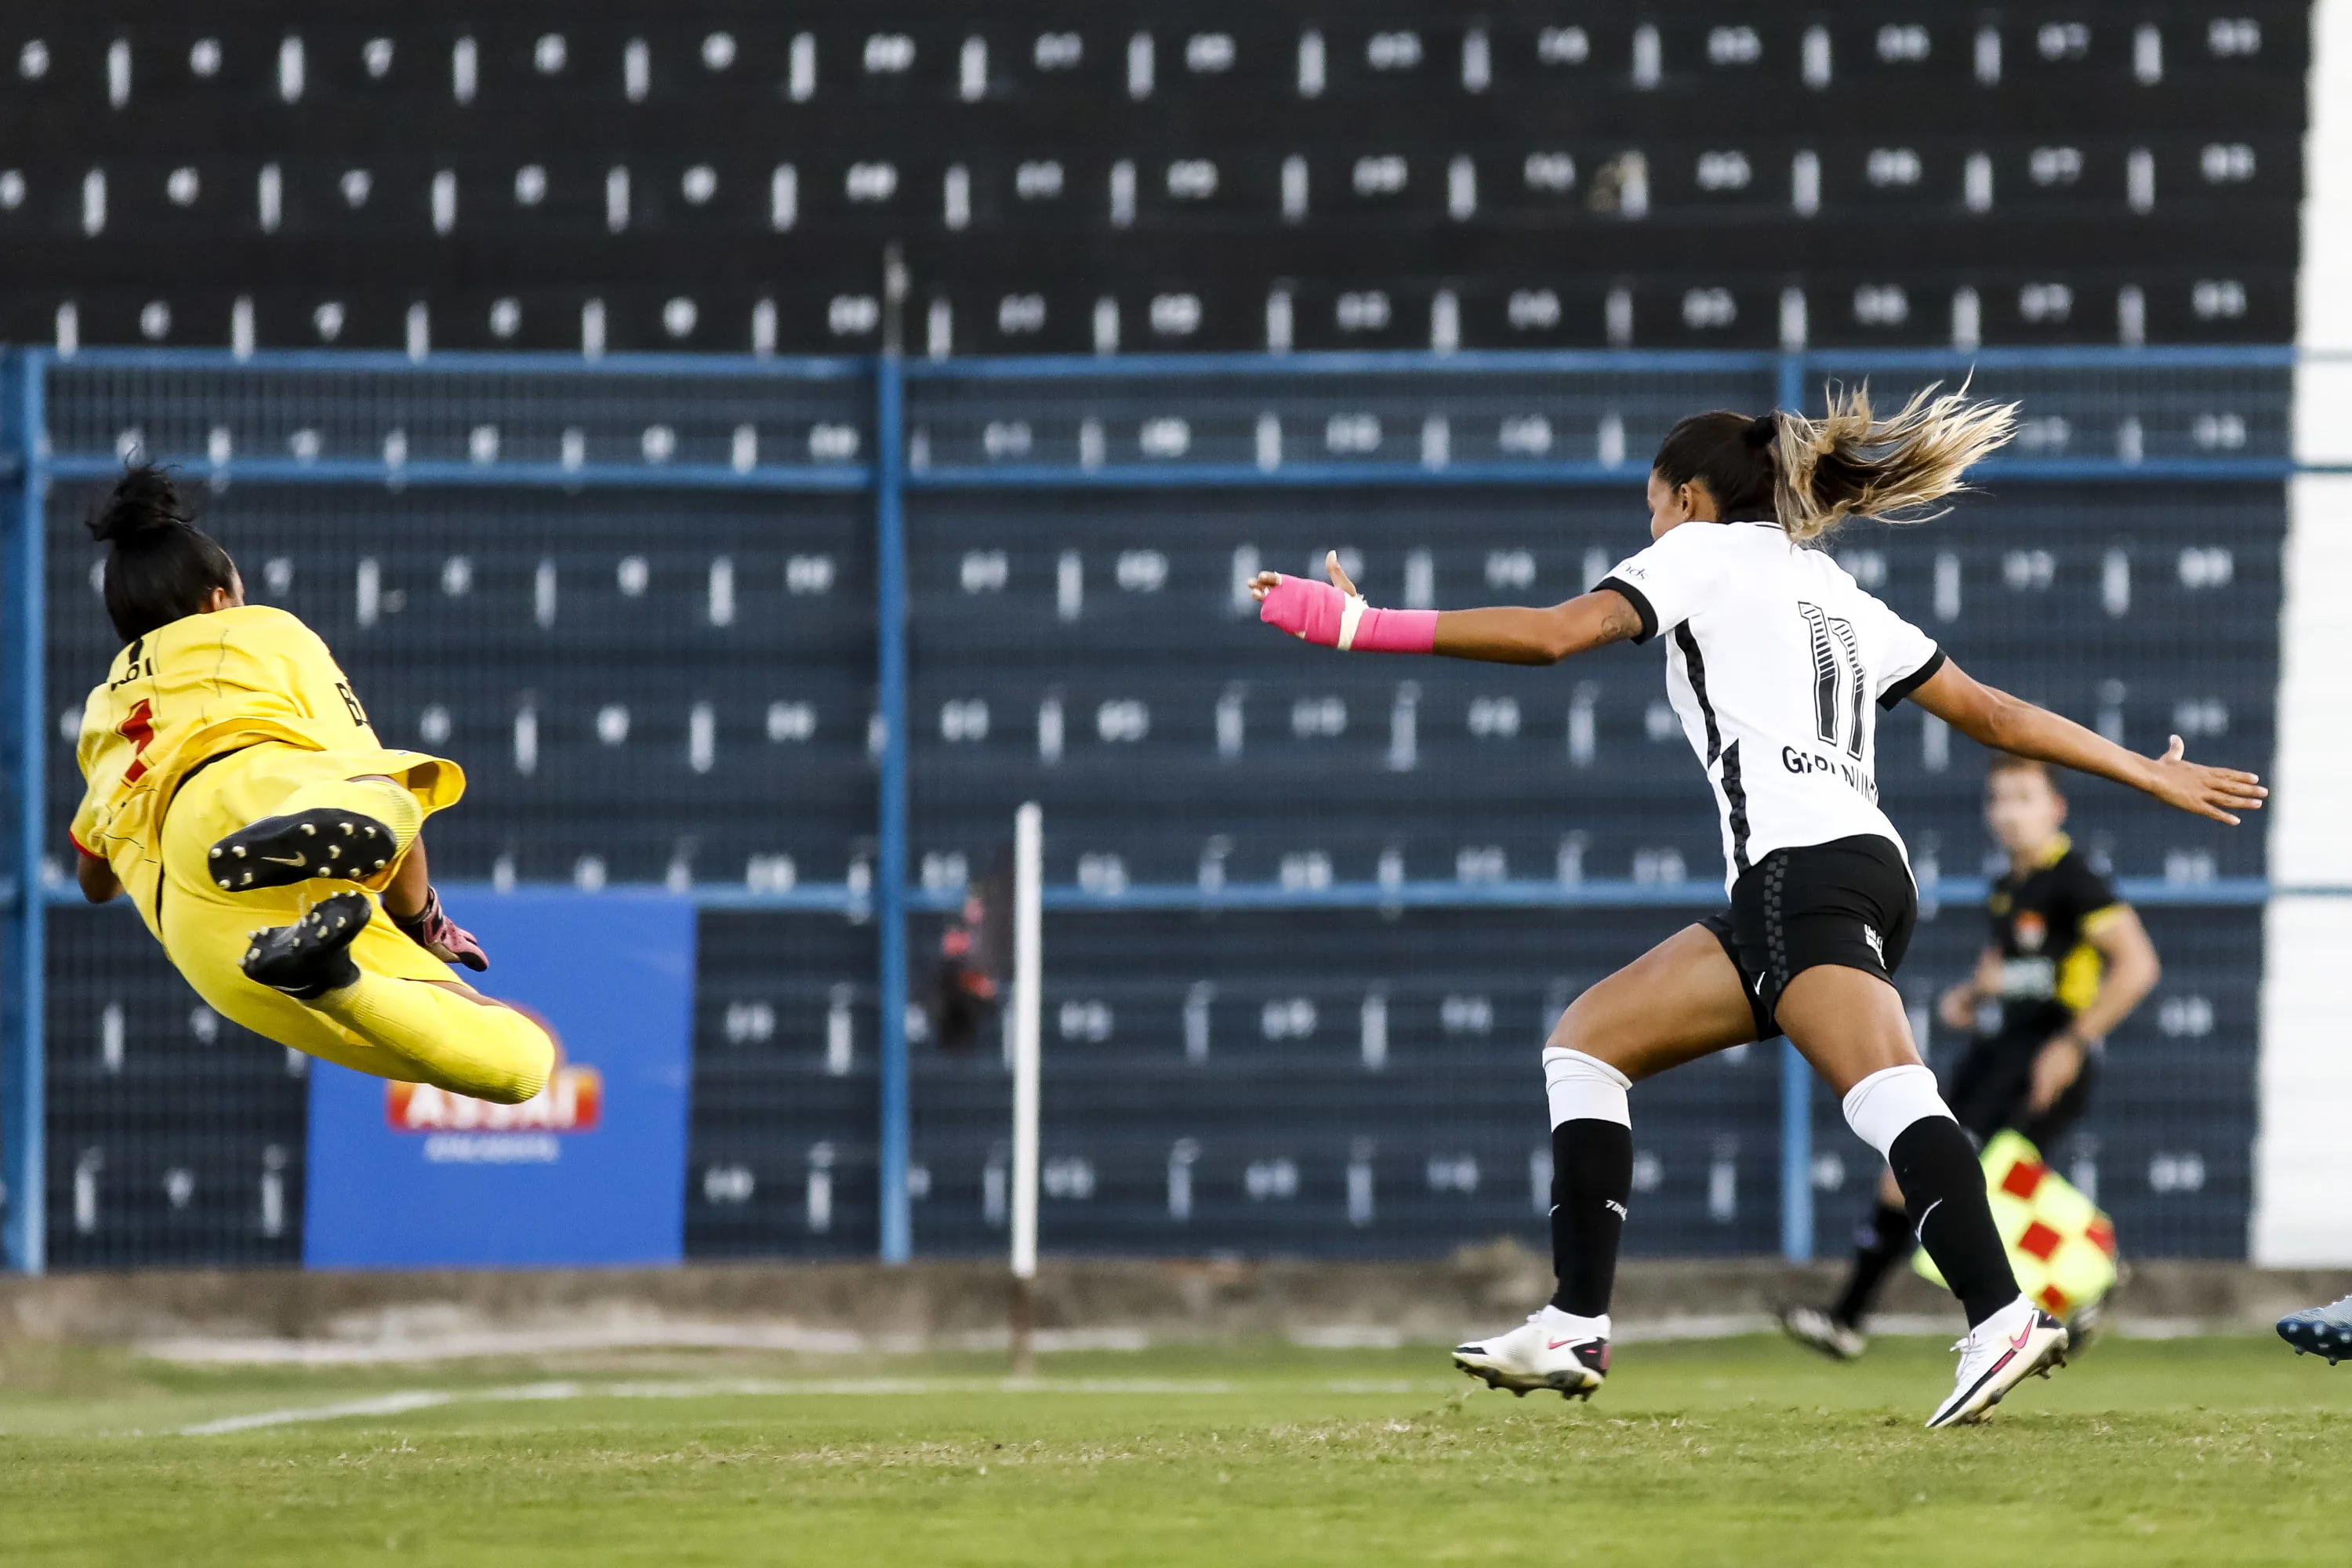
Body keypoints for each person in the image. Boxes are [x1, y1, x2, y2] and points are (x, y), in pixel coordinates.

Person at [1250, 387, 2264, 1427]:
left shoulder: (1700, 552)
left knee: (1887, 1093)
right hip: (1859, 872)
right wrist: (2143, 771)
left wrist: (1359, 625)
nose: (1647, 531)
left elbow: (1560, 635)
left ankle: (2003, 1314)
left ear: (1689, 498)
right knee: (1588, 1045)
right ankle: (1572, 1322)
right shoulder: (1834, 591)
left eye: (1652, 508)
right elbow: (1992, 712)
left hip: (1801, 874)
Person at [67, 466, 554, 1104]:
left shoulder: (105, 713)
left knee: (521, 1064)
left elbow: (93, 881)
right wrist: (420, 917)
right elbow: (363, 764)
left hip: (198, 924)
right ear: (218, 599)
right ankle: (307, 875)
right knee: (388, 793)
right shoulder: (261, 631)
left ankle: (329, 976)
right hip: (245, 785)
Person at [1782, 754, 2159, 1360]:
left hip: (2043, 1050)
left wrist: (2072, 1043)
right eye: (1999, 800)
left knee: (1976, 1176)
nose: (2008, 814)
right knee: (1911, 1167)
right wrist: (1974, 993)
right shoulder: (2011, 887)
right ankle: (1847, 1319)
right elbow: (2016, 967)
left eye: (2024, 799)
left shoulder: (2075, 879)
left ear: (2055, 809)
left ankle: (2084, 1275)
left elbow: (2137, 965)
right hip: (1998, 1048)